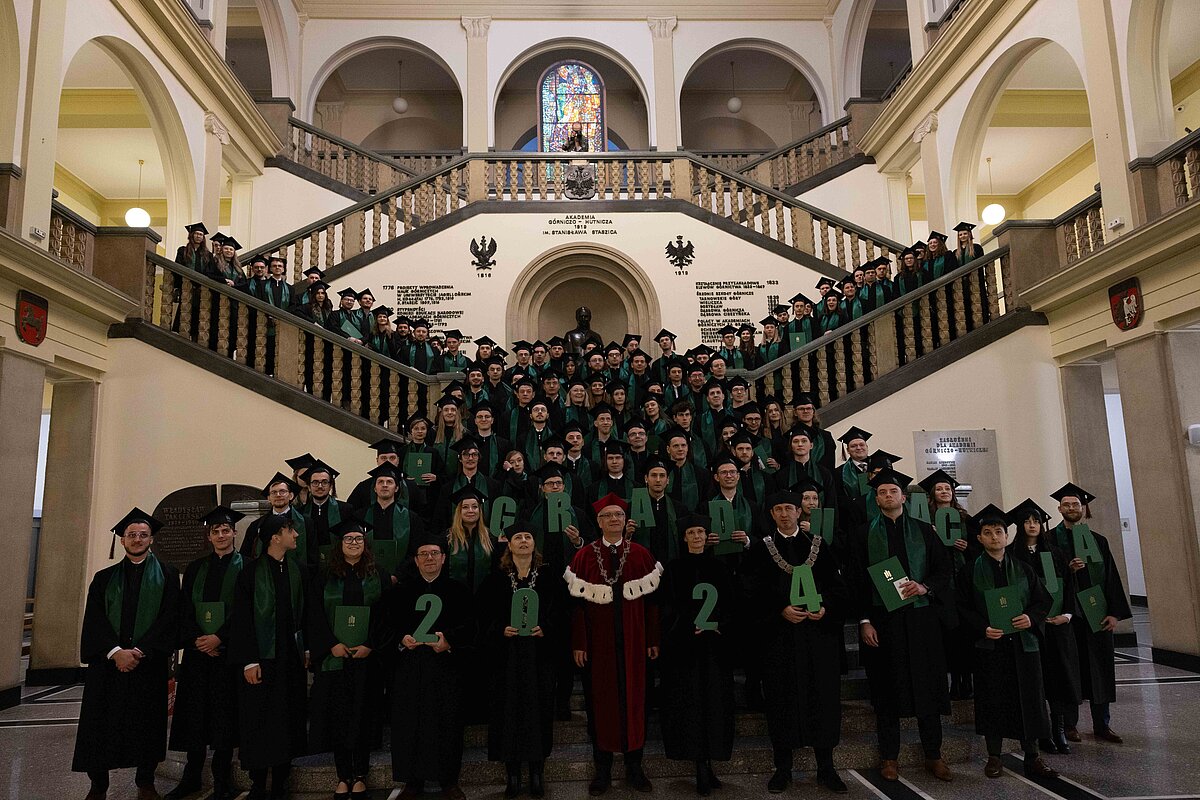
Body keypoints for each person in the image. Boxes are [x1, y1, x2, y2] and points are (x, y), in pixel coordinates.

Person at [850, 469, 955, 783]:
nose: (887, 496)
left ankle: (933, 754)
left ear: (904, 497)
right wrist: (864, 621)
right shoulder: (862, 534)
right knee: (887, 690)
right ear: (876, 499)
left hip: (921, 620)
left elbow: (943, 569)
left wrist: (924, 587)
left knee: (927, 688)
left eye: (893, 491)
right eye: (882, 492)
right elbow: (856, 581)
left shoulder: (924, 531)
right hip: (884, 621)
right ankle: (889, 757)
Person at [73, 509, 181, 800]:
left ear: (151, 539)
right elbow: (95, 620)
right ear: (122, 540)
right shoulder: (104, 578)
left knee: (147, 724)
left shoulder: (168, 576)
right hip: (108, 664)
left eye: (143, 535)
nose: (137, 539)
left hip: (147, 663)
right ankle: (98, 785)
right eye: (131, 535)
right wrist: (115, 652)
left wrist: (140, 650)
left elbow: (170, 617)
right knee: (100, 724)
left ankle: (145, 782)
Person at [750, 490, 849, 794]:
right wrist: (779, 610)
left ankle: (826, 768)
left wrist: (825, 608)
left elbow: (838, 587)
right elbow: (751, 592)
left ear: (799, 511)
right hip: (780, 639)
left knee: (823, 700)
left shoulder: (818, 546)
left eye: (789, 508)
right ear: (772, 514)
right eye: (778, 509)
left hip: (817, 638)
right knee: (781, 701)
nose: (784, 514)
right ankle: (783, 769)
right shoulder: (760, 550)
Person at [566, 493, 663, 796]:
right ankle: (603, 770)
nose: (613, 520)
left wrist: (652, 639)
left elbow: (652, 604)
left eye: (618, 515)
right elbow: (576, 607)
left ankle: (635, 768)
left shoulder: (641, 555)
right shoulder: (584, 557)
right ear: (598, 522)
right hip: (599, 646)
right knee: (601, 704)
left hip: (635, 643)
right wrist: (580, 643)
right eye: (607, 516)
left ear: (625, 520)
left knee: (636, 703)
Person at [954, 504, 1059, 780]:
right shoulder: (969, 571)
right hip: (990, 646)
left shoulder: (1024, 568)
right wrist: (983, 628)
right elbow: (962, 608)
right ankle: (994, 757)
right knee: (993, 700)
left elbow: (1042, 601)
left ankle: (1033, 756)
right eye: (987, 533)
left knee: (1030, 700)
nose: (994, 537)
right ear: (979, 538)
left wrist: (1030, 618)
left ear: (1007, 535)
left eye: (998, 532)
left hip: (1023, 646)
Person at [385, 532, 475, 800]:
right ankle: (412, 782)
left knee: (448, 723)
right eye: (423, 554)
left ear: (444, 558)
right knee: (409, 723)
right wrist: (401, 639)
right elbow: (385, 626)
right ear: (415, 560)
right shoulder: (400, 592)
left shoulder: (458, 591)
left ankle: (449, 781)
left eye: (434, 553)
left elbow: (471, 627)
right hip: (410, 669)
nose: (429, 558)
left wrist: (449, 641)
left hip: (446, 669)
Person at [167, 506, 245, 800]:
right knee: (195, 715)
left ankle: (222, 780)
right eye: (216, 531)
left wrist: (219, 638)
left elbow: (246, 610)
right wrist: (198, 639)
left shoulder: (247, 567)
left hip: (228, 654)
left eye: (226, 530)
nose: (221, 535)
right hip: (198, 655)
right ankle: (191, 777)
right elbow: (185, 608)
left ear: (234, 533)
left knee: (225, 717)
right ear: (209, 536)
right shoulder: (196, 568)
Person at [307, 518, 389, 800]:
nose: (354, 543)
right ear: (339, 544)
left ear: (365, 543)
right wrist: (331, 645)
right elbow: (314, 614)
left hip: (367, 659)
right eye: (348, 539)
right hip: (335, 659)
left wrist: (371, 645)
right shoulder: (324, 576)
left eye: (358, 539)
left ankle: (361, 774)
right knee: (339, 718)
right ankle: (343, 775)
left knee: (363, 716)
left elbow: (386, 615)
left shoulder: (378, 574)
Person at [229, 513, 309, 800]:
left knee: (287, 718)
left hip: (289, 660)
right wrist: (249, 661)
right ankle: (258, 782)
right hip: (261, 660)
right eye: (290, 531)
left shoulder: (298, 570)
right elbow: (242, 620)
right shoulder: (250, 573)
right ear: (275, 537)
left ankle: (280, 782)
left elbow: (305, 614)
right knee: (260, 719)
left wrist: (306, 649)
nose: (296, 535)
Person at [480, 526, 562, 798]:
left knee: (539, 712)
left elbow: (563, 613)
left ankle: (537, 773)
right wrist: (499, 629)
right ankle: (512, 775)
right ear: (509, 545)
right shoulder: (495, 579)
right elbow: (483, 616)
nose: (524, 541)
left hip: (539, 657)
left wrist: (546, 628)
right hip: (507, 658)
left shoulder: (549, 577)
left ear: (534, 544)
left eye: (528, 537)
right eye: (518, 538)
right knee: (508, 713)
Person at [1048, 482, 1131, 744]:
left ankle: (1102, 724)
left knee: (1099, 668)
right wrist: (1067, 570)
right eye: (1067, 504)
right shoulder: (1049, 540)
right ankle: (1069, 724)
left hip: (1096, 613)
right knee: (1069, 668)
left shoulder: (1098, 541)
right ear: (1059, 509)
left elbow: (1111, 578)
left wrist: (1114, 613)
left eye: (1076, 504)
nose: (1072, 508)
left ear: (1083, 508)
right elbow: (1045, 578)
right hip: (1067, 615)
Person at [660, 513, 736, 796]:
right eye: (691, 532)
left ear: (707, 536)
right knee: (690, 705)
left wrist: (718, 624)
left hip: (715, 649)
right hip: (685, 651)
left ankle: (710, 761)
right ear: (684, 537)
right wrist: (685, 626)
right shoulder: (673, 569)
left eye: (700, 532)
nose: (696, 537)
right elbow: (667, 608)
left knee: (714, 704)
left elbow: (731, 604)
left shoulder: (720, 567)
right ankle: (699, 765)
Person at [1008, 498, 1082, 755]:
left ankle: (1059, 729)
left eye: (1036, 521)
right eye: (1027, 521)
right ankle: (1042, 733)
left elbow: (1069, 587)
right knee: (1035, 681)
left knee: (1058, 678)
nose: (1032, 525)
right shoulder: (1012, 555)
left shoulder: (1056, 554)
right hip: (1029, 629)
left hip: (1056, 626)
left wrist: (1067, 615)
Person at [918, 469, 979, 701]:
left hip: (963, 583)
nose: (944, 491)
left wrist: (967, 548)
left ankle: (967, 680)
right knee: (947, 635)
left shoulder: (966, 520)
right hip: (941, 587)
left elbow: (979, 550)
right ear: (932, 494)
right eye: (939, 489)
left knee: (965, 633)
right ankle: (952, 681)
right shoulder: (926, 522)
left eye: (947, 488)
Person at [445, 485, 496, 593]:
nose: (470, 510)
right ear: (459, 511)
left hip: (485, 595)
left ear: (480, 510)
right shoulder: (448, 538)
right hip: (454, 594)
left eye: (475, 507)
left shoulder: (490, 537)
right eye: (465, 507)